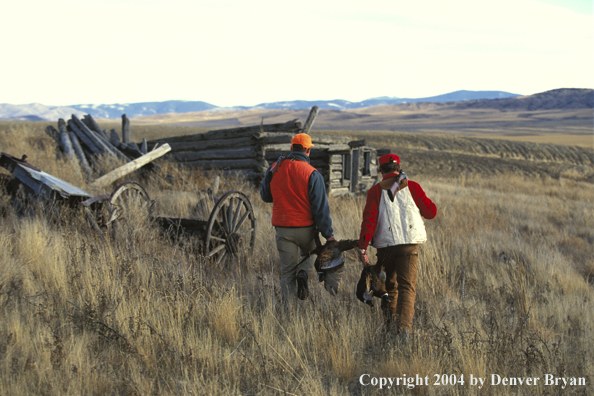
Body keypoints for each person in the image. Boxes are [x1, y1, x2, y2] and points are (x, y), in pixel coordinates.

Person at [357, 153, 437, 334]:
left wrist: (363, 246)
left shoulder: (376, 191)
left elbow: (369, 222)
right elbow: (431, 212)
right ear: (399, 168)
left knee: (389, 288)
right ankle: (405, 332)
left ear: (380, 170)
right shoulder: (413, 187)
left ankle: (389, 328)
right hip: (409, 246)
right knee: (407, 288)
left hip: (386, 248)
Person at [260, 133, 335, 302]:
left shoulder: (275, 168)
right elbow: (320, 209)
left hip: (283, 230)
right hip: (306, 230)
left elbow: (265, 196)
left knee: (287, 273)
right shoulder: (313, 174)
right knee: (312, 253)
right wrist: (328, 235)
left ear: (291, 148)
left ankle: (289, 315)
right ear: (308, 150)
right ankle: (303, 272)